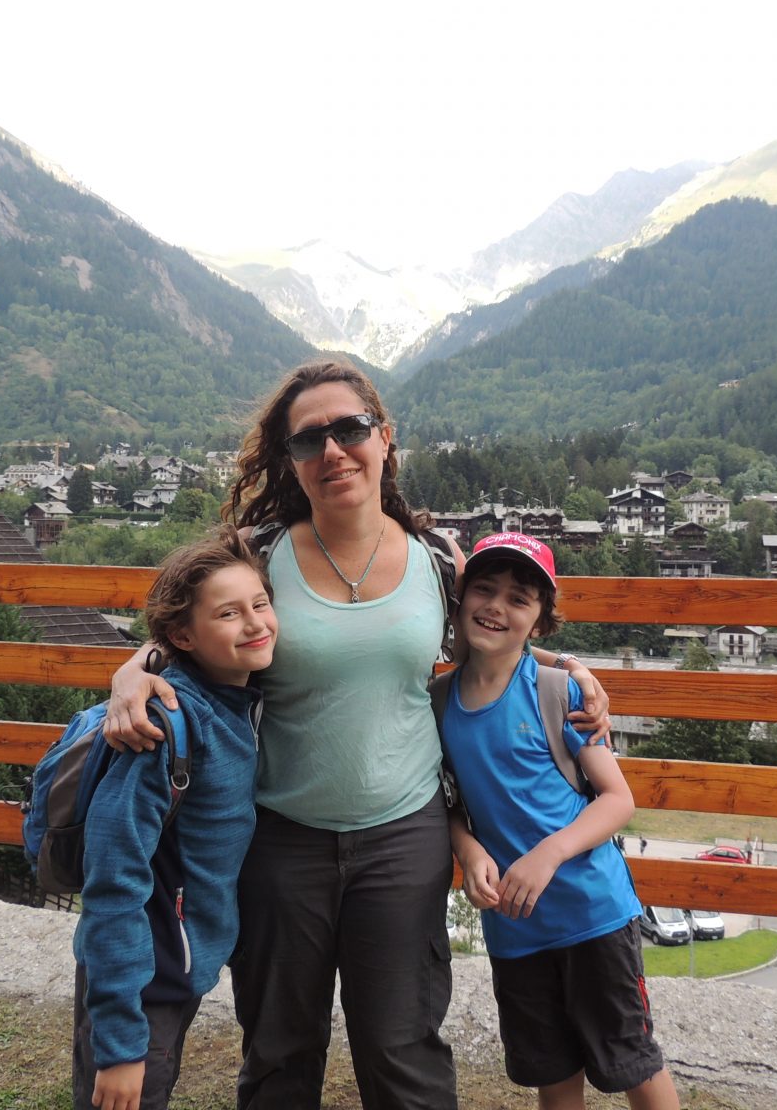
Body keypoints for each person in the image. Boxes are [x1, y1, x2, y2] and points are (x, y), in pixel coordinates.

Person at [102, 358, 610, 1110]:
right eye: (310, 439)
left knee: (401, 1047)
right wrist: (132, 672)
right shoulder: (258, 552)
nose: (333, 450)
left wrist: (567, 667)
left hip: (402, 838)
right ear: (290, 460)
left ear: (385, 439)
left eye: (350, 429)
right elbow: (193, 627)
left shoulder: (438, 560)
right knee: (279, 1047)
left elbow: (498, 634)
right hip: (279, 836)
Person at [441, 532, 679, 1110]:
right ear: (460, 597)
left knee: (633, 1064)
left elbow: (617, 799)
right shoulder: (437, 701)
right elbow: (444, 800)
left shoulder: (558, 690)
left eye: (518, 599)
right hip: (516, 931)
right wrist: (468, 851)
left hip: (592, 915)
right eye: (484, 589)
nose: (496, 607)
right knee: (553, 1073)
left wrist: (548, 853)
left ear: (541, 621)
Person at [74, 527, 277, 1110]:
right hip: (141, 979)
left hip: (174, 965)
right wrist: (117, 1046)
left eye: (260, 604)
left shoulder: (236, 698)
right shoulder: (162, 727)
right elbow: (113, 879)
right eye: (229, 614)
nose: (256, 624)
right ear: (183, 636)